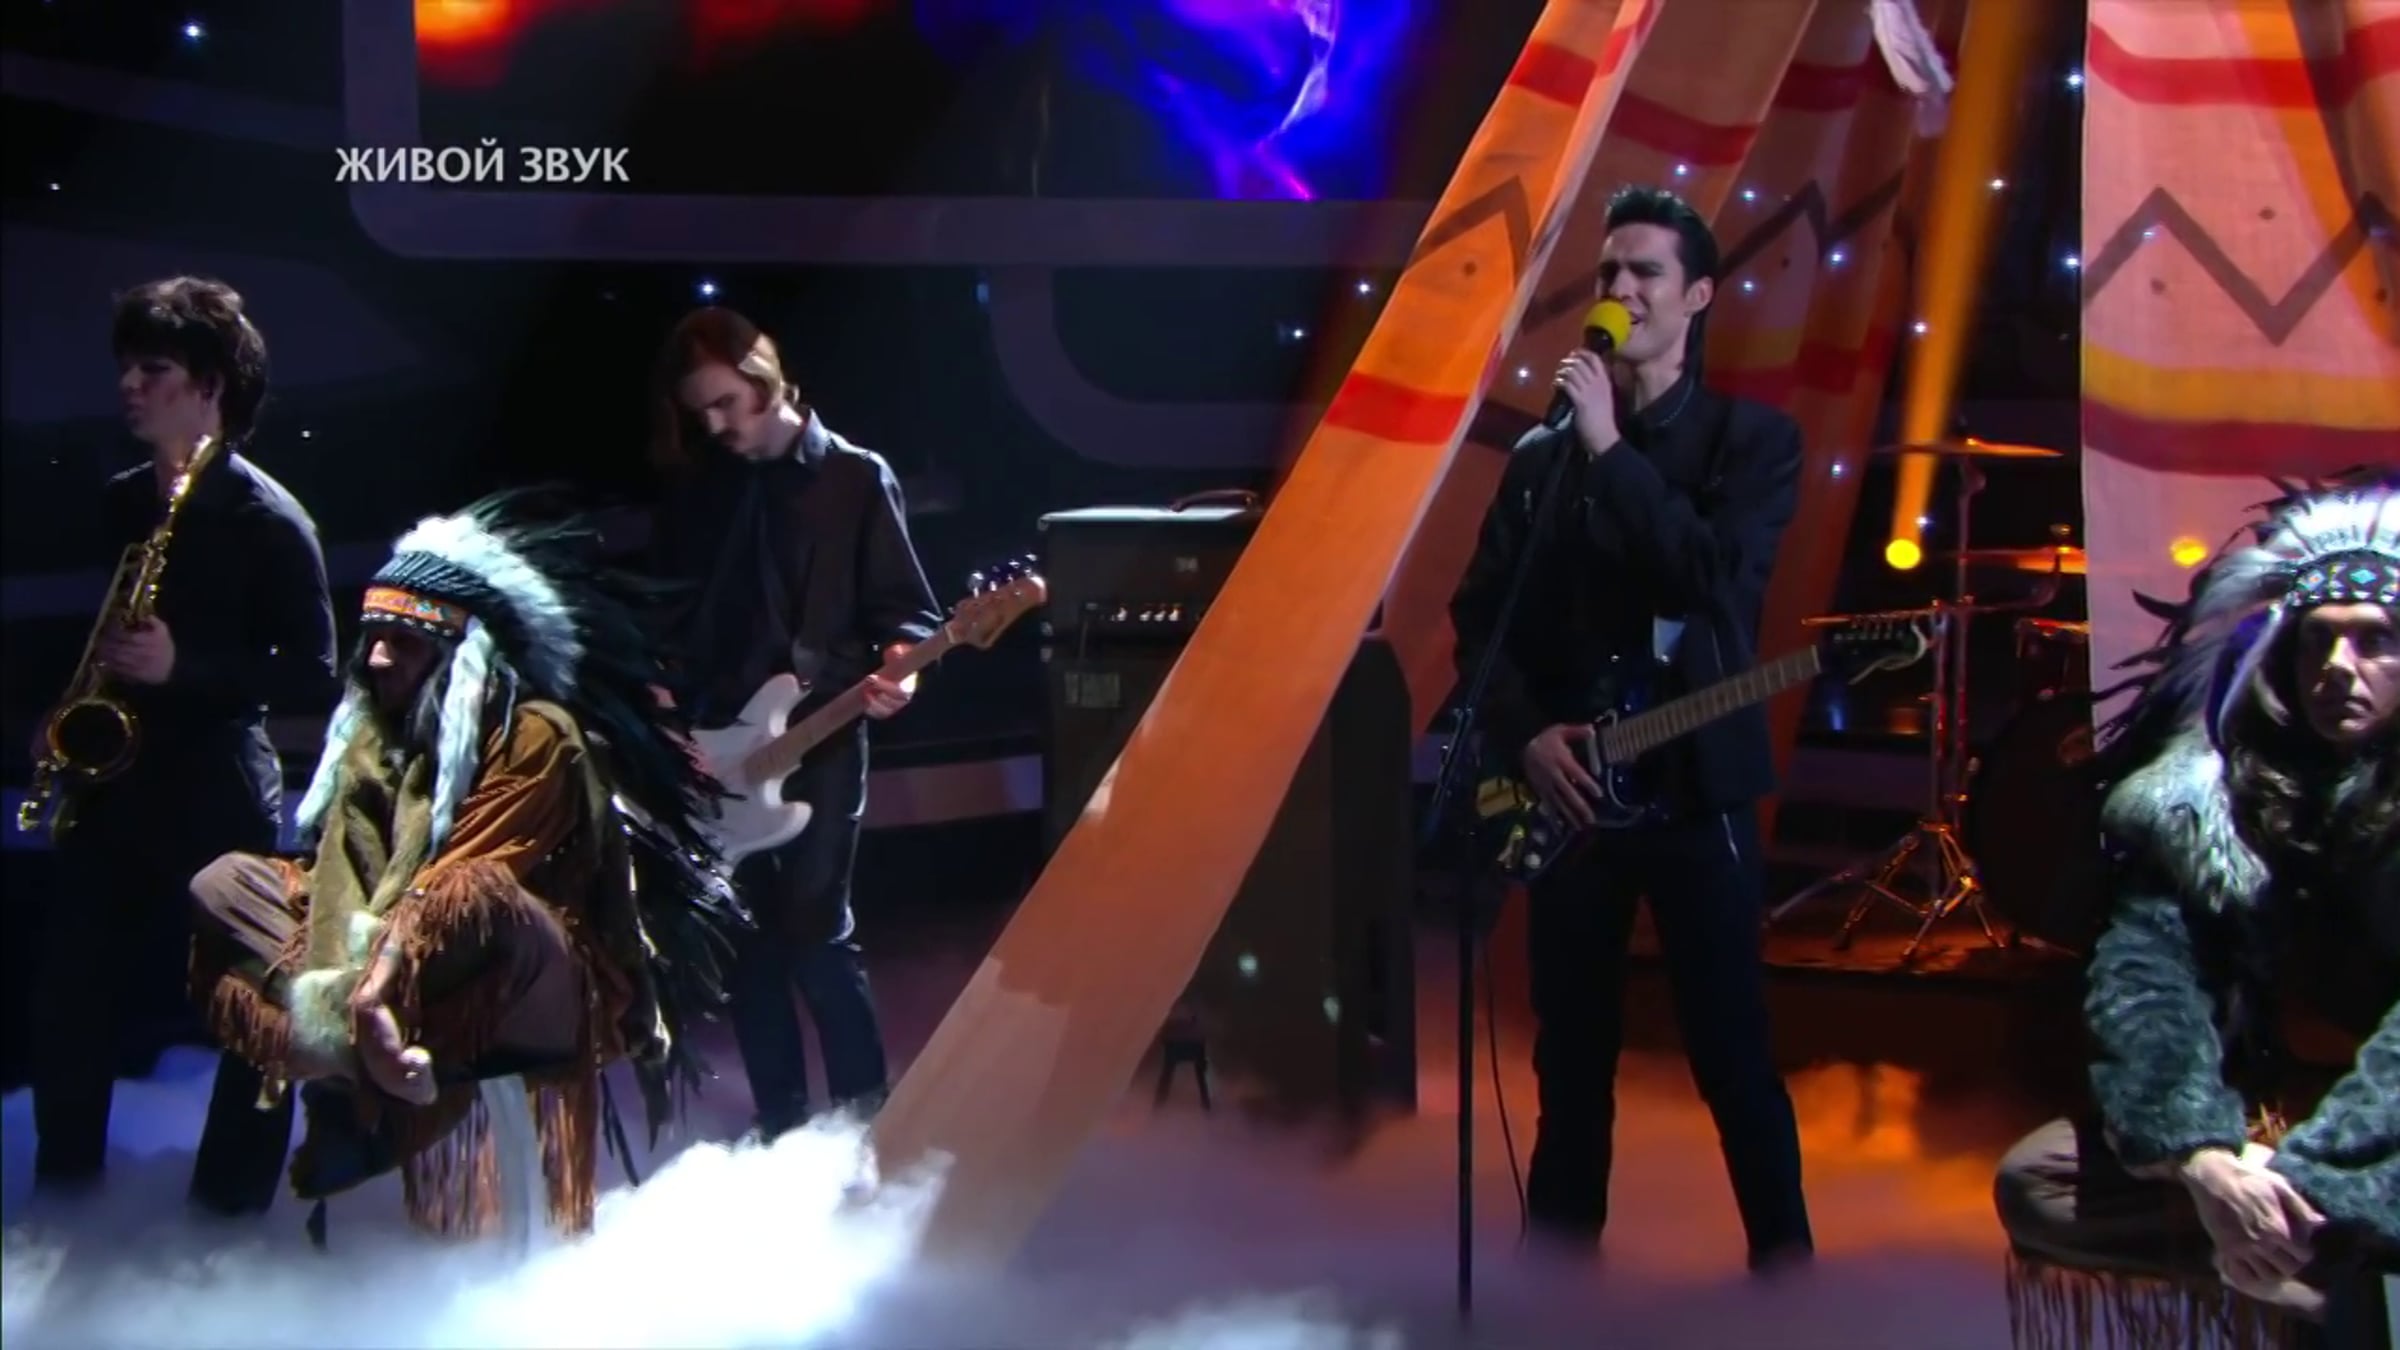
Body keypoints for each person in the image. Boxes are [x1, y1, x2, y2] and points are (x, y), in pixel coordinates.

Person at [185, 493, 742, 1236]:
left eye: (404, 641)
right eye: (373, 637)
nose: (377, 658)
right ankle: (364, 1064)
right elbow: (336, 876)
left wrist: (372, 996)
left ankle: (370, 1069)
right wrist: (348, 996)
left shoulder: (540, 735)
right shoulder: (369, 746)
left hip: (522, 977)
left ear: (464, 655)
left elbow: (464, 877)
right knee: (224, 882)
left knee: (469, 891)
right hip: (379, 972)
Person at [1449, 185, 1812, 1271]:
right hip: (1572, 796)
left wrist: (1612, 449)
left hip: (1695, 793)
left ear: (1697, 297)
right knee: (1571, 1063)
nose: (1621, 290)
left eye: (1646, 271)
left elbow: (1714, 584)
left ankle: (1789, 1293)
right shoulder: (1541, 458)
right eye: (1610, 272)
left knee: (1733, 1056)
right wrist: (1526, 735)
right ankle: (1559, 1295)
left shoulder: (1753, 442)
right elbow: (1481, 620)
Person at [1993, 476, 2397, 1332]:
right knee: (2039, 1183)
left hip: (2368, 1138)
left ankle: (2303, 1248)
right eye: (2317, 642)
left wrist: (2310, 1180)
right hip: (2277, 1125)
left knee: (2322, 1221)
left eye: (2374, 642)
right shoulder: (2212, 803)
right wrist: (2204, 1159)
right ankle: (2295, 1248)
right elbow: (2147, 975)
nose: (2338, 667)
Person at [25, 276, 340, 1216]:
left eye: (153, 369)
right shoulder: (124, 500)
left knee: (249, 1007)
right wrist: (74, 701)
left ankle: (227, 1217)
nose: (130, 385)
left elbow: (314, 673)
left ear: (210, 385)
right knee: (68, 997)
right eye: (127, 367)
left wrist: (184, 666)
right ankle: (64, 1194)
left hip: (217, 788)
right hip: (118, 781)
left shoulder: (270, 518)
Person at [647, 307, 942, 1140]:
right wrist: (663, 710)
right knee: (745, 946)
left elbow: (907, 612)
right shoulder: (703, 487)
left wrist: (903, 672)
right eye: (700, 411)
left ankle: (865, 1123)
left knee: (815, 932)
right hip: (713, 747)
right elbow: (666, 615)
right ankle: (780, 1125)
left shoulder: (854, 477)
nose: (715, 425)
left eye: (725, 403)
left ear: (764, 378)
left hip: (822, 737)